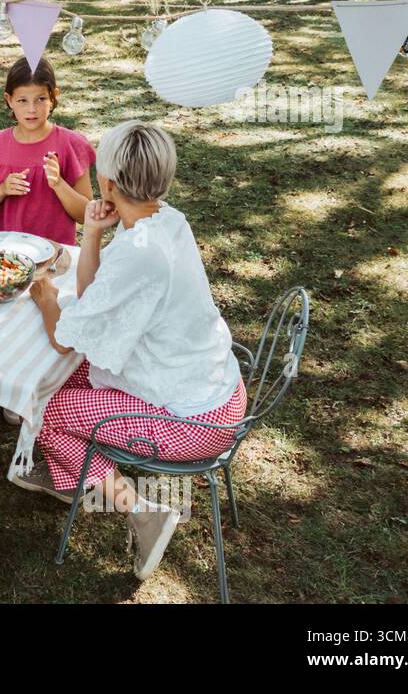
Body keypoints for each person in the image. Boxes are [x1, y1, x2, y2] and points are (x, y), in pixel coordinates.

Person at [24, 120, 247, 581]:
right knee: (63, 375)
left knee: (40, 404)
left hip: (194, 422)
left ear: (106, 182)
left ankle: (142, 510)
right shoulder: (167, 218)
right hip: (221, 390)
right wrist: (91, 234)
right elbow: (93, 301)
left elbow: (66, 335)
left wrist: (46, 299)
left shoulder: (138, 252)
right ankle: (70, 469)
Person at [0, 56, 95, 245]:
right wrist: (2, 189)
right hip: (2, 249)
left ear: (54, 97)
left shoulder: (71, 145)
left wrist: (59, 184)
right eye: (22, 100)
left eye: (41, 99)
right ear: (9, 100)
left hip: (53, 252)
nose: (31, 109)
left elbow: (86, 216)